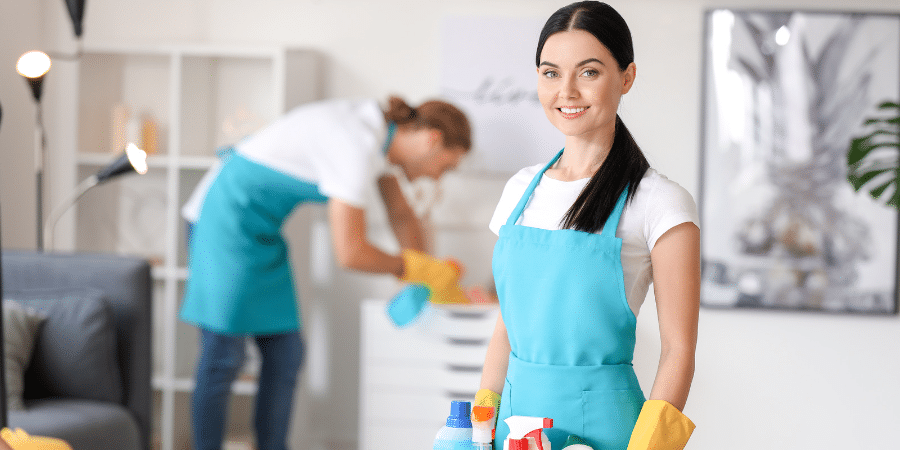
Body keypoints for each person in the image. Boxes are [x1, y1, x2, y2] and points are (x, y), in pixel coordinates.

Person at [180, 96, 472, 450]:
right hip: (222, 219)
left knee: (285, 353)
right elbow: (351, 253)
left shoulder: (378, 137)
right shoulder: (355, 146)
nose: (439, 176)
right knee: (223, 355)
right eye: (447, 166)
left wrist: (428, 279)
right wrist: (412, 267)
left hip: (262, 233)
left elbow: (401, 216)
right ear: (432, 140)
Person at [474, 2, 700, 449]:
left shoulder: (659, 202)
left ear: (627, 77)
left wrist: (650, 447)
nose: (567, 91)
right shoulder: (521, 191)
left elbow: (679, 350)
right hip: (512, 427)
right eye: (551, 73)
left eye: (589, 72)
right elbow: (507, 323)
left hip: (606, 432)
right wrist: (480, 421)